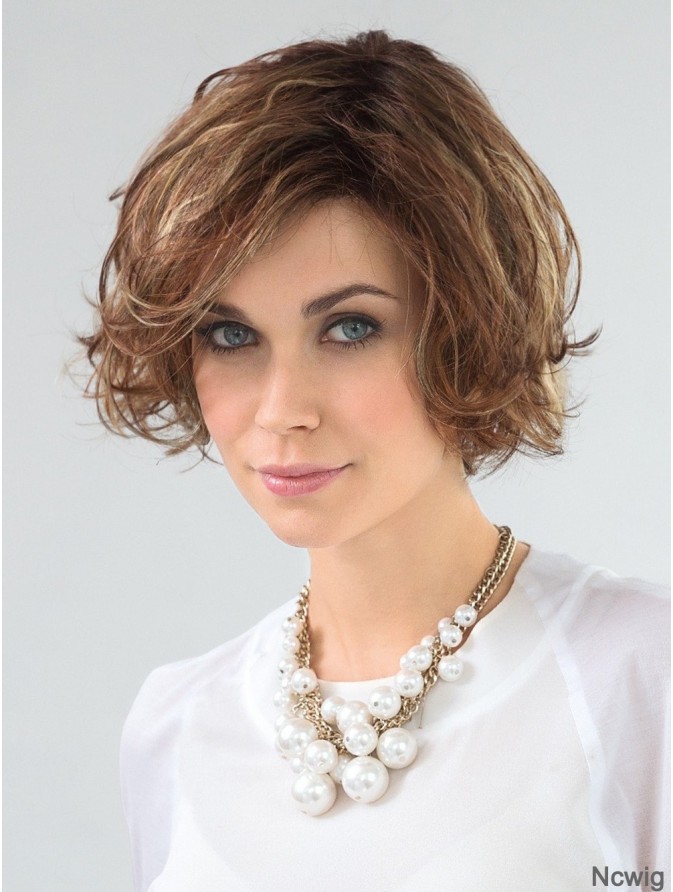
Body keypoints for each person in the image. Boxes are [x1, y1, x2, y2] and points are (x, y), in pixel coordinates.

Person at [75, 30, 669, 892]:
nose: (282, 410)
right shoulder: (175, 726)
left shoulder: (640, 678)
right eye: (231, 335)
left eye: (350, 328)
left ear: (467, 328)